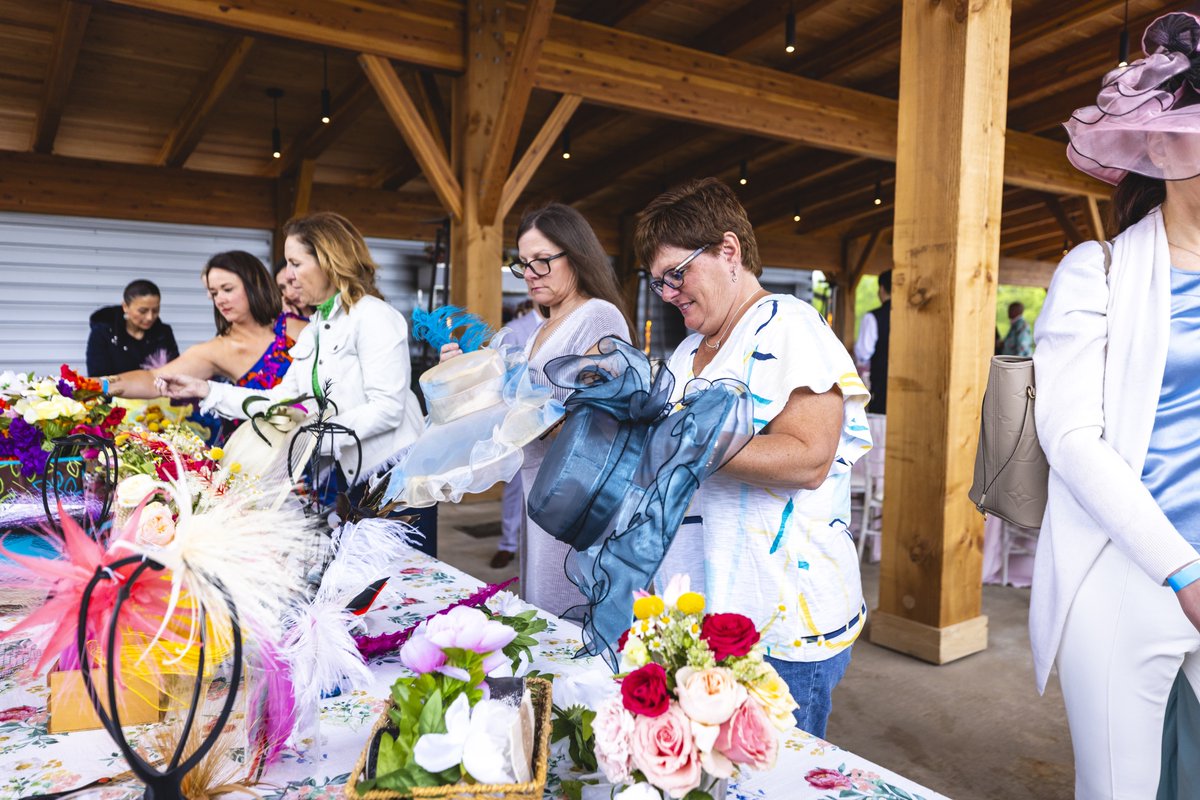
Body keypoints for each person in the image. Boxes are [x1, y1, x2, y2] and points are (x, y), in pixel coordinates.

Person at [1034, 12, 1200, 797]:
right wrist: (1184, 571)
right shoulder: (1092, 270)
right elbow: (1070, 438)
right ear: (1163, 146)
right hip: (1125, 575)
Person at [637, 177, 870, 738]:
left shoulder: (792, 326)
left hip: (779, 620)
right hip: (703, 615)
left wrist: (679, 441)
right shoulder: (692, 347)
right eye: (657, 283)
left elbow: (808, 457)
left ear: (728, 250)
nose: (669, 293)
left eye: (677, 274)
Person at [157, 212, 432, 552]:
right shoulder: (316, 328)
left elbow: (387, 408)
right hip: (355, 475)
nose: (287, 275)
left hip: (397, 479)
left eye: (295, 263)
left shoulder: (373, 315)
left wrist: (309, 440)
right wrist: (207, 390)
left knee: (408, 587)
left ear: (329, 260)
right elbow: (281, 402)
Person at [440, 203, 635, 615]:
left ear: (577, 255)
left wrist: (514, 394)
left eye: (542, 262)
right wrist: (465, 380)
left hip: (577, 503)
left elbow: (600, 427)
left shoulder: (599, 316)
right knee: (544, 617)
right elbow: (509, 418)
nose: (530, 274)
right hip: (539, 495)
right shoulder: (538, 332)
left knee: (568, 623)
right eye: (523, 264)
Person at [99, 253, 306, 410]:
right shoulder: (216, 349)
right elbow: (153, 379)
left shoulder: (298, 328)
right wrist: (98, 385)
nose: (220, 300)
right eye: (214, 293)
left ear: (255, 285)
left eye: (227, 289)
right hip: (260, 455)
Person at [492, 300, 541, 570]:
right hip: (520, 420)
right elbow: (501, 379)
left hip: (562, 423)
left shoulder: (572, 324)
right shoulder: (514, 330)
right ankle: (508, 543)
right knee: (515, 485)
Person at [86, 280, 179, 376]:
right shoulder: (103, 333)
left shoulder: (163, 333)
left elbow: (175, 372)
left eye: (155, 310)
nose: (150, 317)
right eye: (143, 311)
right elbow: (98, 379)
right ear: (125, 306)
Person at [853, 269, 891, 414]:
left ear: (881, 289)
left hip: (881, 386)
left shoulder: (874, 317)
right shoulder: (913, 318)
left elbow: (863, 353)